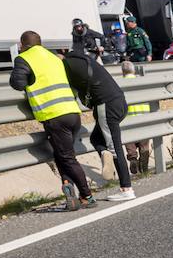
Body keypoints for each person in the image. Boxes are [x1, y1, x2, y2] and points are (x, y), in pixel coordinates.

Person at [9, 30, 95, 210]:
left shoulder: (24, 58)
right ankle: (68, 188)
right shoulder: (54, 57)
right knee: (61, 155)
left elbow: (18, 83)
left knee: (68, 158)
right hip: (72, 111)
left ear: (23, 44)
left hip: (54, 115)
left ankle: (87, 196)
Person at [63, 46, 133, 199]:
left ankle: (126, 189)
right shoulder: (85, 60)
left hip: (106, 106)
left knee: (114, 147)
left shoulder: (67, 66)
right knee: (96, 138)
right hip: (120, 101)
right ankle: (104, 153)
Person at [120, 60, 154, 187]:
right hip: (143, 116)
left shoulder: (119, 84)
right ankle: (144, 161)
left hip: (128, 119)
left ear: (122, 72)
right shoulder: (141, 81)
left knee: (130, 143)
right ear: (133, 70)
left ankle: (133, 158)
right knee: (144, 144)